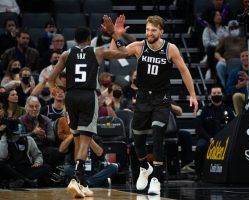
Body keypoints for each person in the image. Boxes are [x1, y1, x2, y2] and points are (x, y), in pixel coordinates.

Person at [103, 14, 198, 195]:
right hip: (143, 99)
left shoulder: (171, 49)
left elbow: (184, 71)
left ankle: (155, 177)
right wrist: (116, 35)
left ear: (161, 31)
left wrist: (192, 95)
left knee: (157, 134)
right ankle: (144, 167)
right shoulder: (139, 46)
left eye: (153, 30)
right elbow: (116, 54)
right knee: (137, 140)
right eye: (147, 29)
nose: (149, 33)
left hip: (161, 100)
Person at [48, 26, 128, 198]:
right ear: (89, 38)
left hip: (71, 97)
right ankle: (77, 178)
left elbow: (50, 78)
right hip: (88, 96)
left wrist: (54, 89)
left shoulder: (66, 54)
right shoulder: (97, 51)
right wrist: (115, 34)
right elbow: (123, 53)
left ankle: (82, 183)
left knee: (77, 139)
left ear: (75, 40)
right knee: (86, 140)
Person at [194, 85, 235, 179]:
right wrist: (209, 138)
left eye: (218, 93)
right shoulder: (204, 109)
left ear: (222, 95)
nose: (216, 95)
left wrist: (223, 138)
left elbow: (234, 125)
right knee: (200, 147)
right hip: (207, 138)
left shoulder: (228, 110)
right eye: (214, 93)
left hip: (224, 139)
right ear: (209, 96)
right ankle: (198, 173)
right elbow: (198, 126)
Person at [225, 48, 249, 115]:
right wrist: (238, 86)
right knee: (236, 96)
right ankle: (240, 119)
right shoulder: (234, 72)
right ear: (240, 58)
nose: (245, 58)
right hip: (244, 95)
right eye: (242, 56)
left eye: (247, 56)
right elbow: (227, 90)